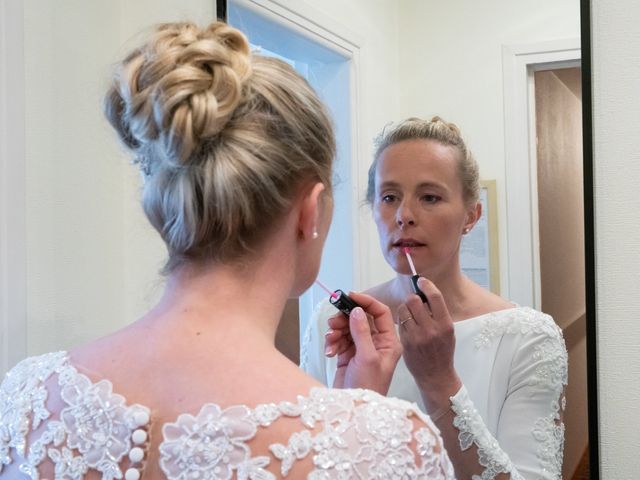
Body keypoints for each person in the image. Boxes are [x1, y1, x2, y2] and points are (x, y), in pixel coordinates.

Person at [0, 24, 455, 479]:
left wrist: (352, 407)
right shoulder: (388, 442)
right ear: (310, 212)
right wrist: (361, 422)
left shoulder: (30, 396)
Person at [301, 117, 568, 479]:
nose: (404, 216)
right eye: (389, 197)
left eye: (430, 197)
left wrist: (440, 381)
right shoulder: (332, 322)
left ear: (470, 216)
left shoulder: (529, 338)